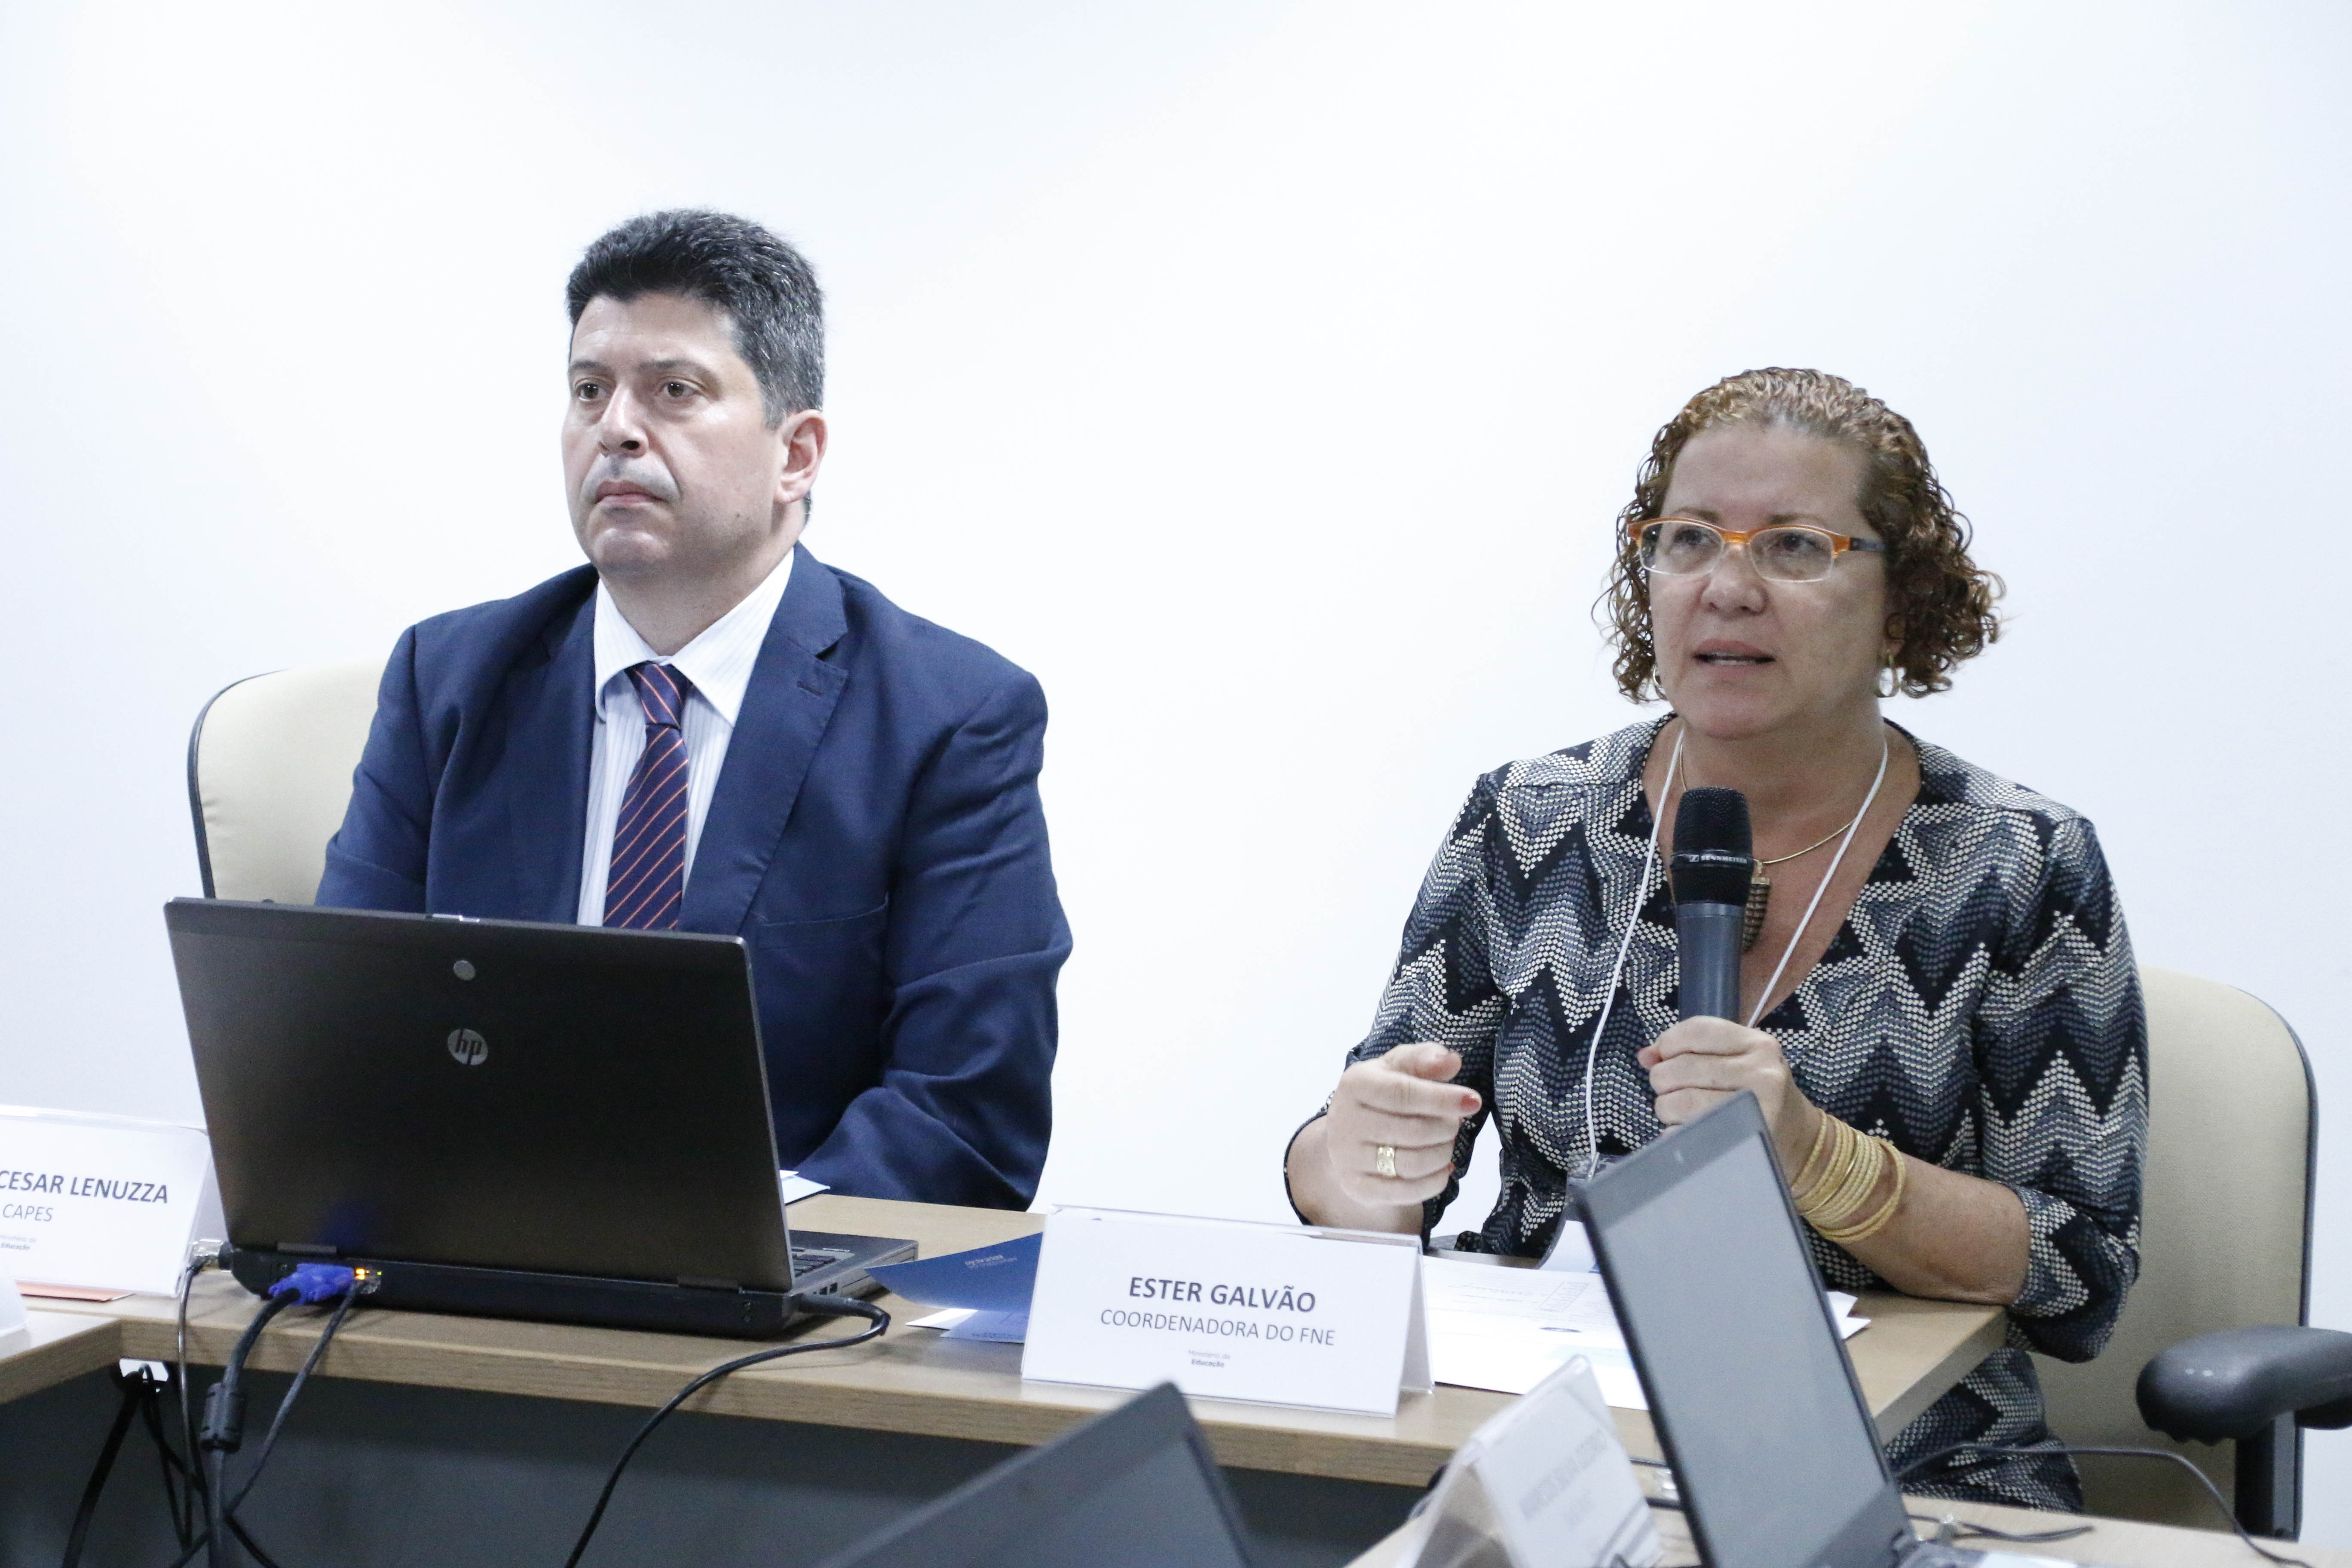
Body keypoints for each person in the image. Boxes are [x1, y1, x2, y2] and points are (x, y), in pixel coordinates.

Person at [1284, 368, 2145, 1510]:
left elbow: (2081, 1276)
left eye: (1792, 548)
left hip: (1890, 1465)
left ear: (1901, 602)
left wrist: (1818, 1159)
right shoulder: (1531, 819)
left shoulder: (2016, 860)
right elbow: (1378, 1173)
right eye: (1689, 541)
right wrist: (1360, 1166)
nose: (1727, 588)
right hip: (1548, 1449)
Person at [320, 211, 1070, 1209]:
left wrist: (720, 1245)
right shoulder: (449, 679)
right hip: (469, 1263)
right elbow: (338, 1038)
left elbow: (966, 1118)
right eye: (589, 391)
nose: (616, 428)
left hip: (770, 1309)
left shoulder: (950, 718)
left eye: (674, 391)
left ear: (796, 455)